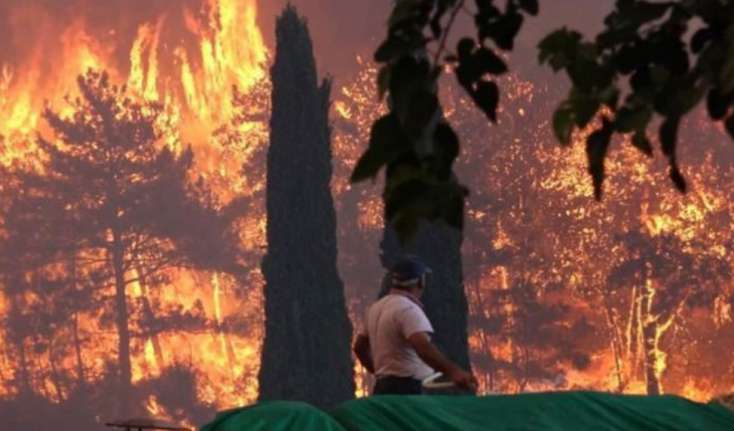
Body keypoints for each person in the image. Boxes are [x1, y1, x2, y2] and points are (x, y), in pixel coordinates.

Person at [353, 256, 477, 395]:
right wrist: (453, 372)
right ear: (420, 282)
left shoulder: (375, 308)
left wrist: (379, 373)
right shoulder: (408, 310)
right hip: (408, 389)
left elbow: (359, 347)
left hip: (383, 389)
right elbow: (423, 347)